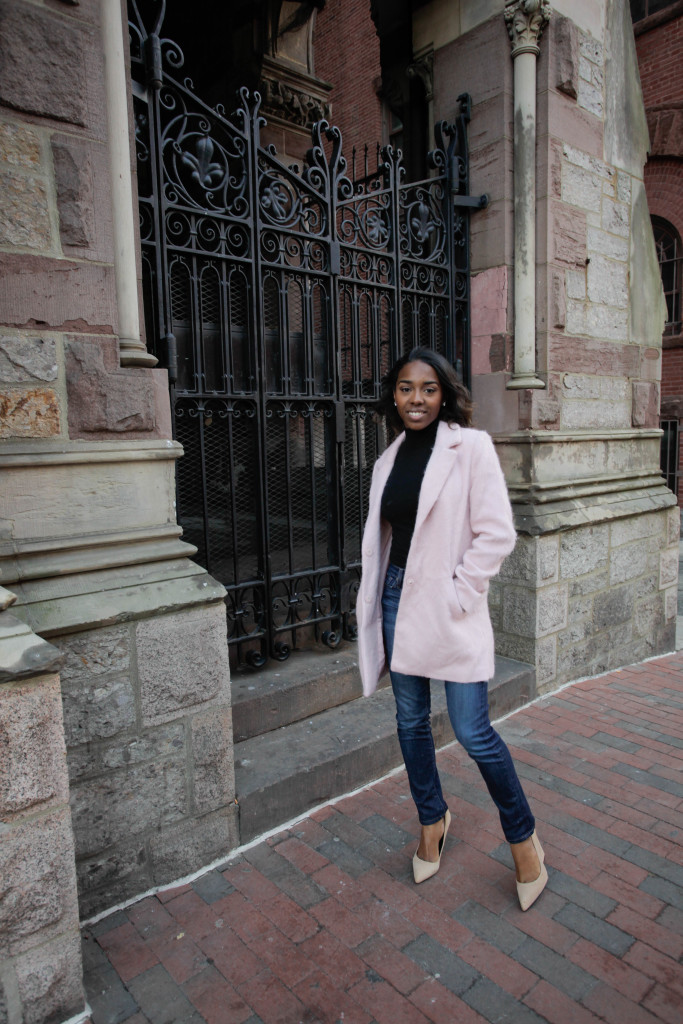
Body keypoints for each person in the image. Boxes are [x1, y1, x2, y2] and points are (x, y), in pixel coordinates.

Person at [356, 346, 547, 910]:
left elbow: (497, 533)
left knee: (473, 732)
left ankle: (523, 836)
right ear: (393, 395)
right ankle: (432, 819)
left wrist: (460, 593)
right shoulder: (387, 460)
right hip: (398, 601)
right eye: (407, 388)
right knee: (411, 722)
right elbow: (388, 542)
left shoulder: (471, 447)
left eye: (429, 389)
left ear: (446, 395)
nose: (417, 399)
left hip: (449, 606)